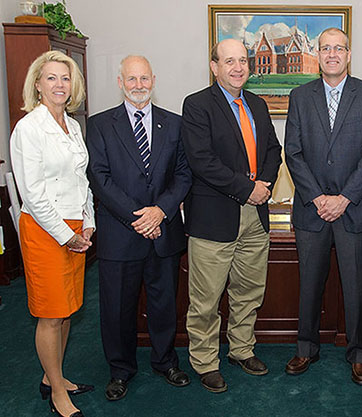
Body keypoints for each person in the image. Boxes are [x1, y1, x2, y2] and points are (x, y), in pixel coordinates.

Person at [86, 55, 192, 401]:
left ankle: (165, 361)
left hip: (163, 232)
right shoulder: (100, 125)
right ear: (120, 83)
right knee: (117, 308)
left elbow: (183, 174)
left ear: (153, 80)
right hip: (120, 233)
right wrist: (138, 217)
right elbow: (99, 179)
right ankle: (120, 370)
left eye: (144, 79)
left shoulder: (173, 124)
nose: (138, 86)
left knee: (164, 305)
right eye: (131, 79)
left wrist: (159, 211)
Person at [284, 27, 362, 385]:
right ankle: (305, 348)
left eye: (338, 48)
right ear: (318, 53)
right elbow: (292, 153)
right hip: (312, 209)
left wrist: (343, 198)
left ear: (349, 53)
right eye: (325, 48)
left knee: (357, 286)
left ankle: (359, 354)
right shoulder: (300, 96)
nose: (331, 54)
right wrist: (317, 197)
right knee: (309, 283)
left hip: (354, 209)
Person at [181, 39, 282, 393]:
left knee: (248, 291)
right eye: (229, 61)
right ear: (214, 66)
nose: (238, 67)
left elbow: (273, 148)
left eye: (243, 61)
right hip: (214, 217)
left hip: (256, 215)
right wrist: (247, 188)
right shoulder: (196, 105)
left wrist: (265, 182)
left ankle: (241, 349)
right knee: (206, 298)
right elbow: (201, 161)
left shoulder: (256, 103)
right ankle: (206, 361)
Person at [10, 50, 95, 417]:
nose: (59, 85)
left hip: (76, 226)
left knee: (67, 310)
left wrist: (88, 219)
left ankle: (52, 378)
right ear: (38, 85)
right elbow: (34, 193)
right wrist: (67, 235)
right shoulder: (28, 128)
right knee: (50, 313)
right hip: (46, 231)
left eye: (65, 78)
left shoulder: (73, 125)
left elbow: (82, 180)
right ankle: (58, 392)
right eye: (51, 78)